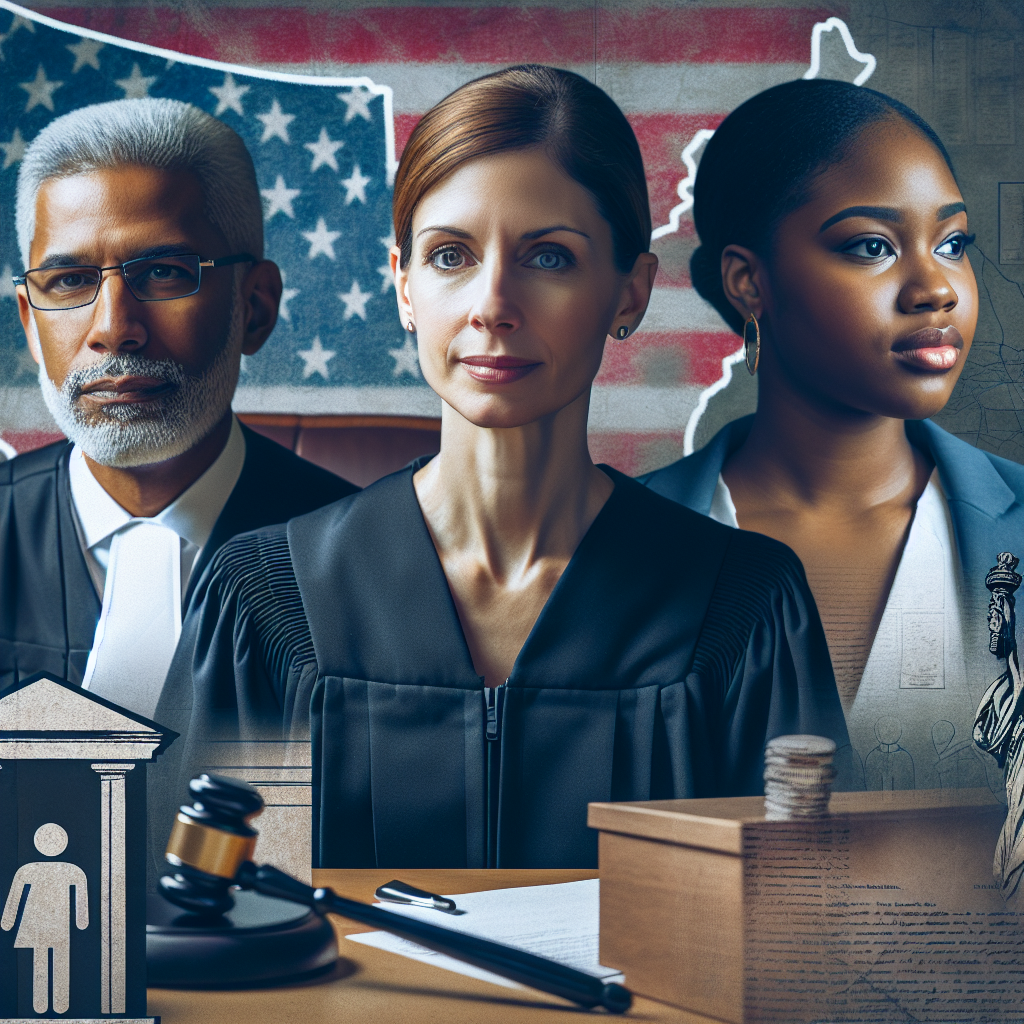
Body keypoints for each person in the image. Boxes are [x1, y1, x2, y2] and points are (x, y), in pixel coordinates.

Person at [160, 65, 847, 871]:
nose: (491, 304)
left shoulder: (743, 612)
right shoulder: (267, 604)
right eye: (450, 256)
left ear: (629, 294)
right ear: (404, 287)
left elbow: (803, 914)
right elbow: (204, 912)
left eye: (549, 257)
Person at [642, 79, 1024, 793]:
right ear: (748, 283)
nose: (937, 288)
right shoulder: (611, 543)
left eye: (952, 243)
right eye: (872, 246)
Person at [2, 98, 357, 718]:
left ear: (255, 307)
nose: (114, 329)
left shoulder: (363, 564)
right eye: (71, 281)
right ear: (31, 324)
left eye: (165, 272)